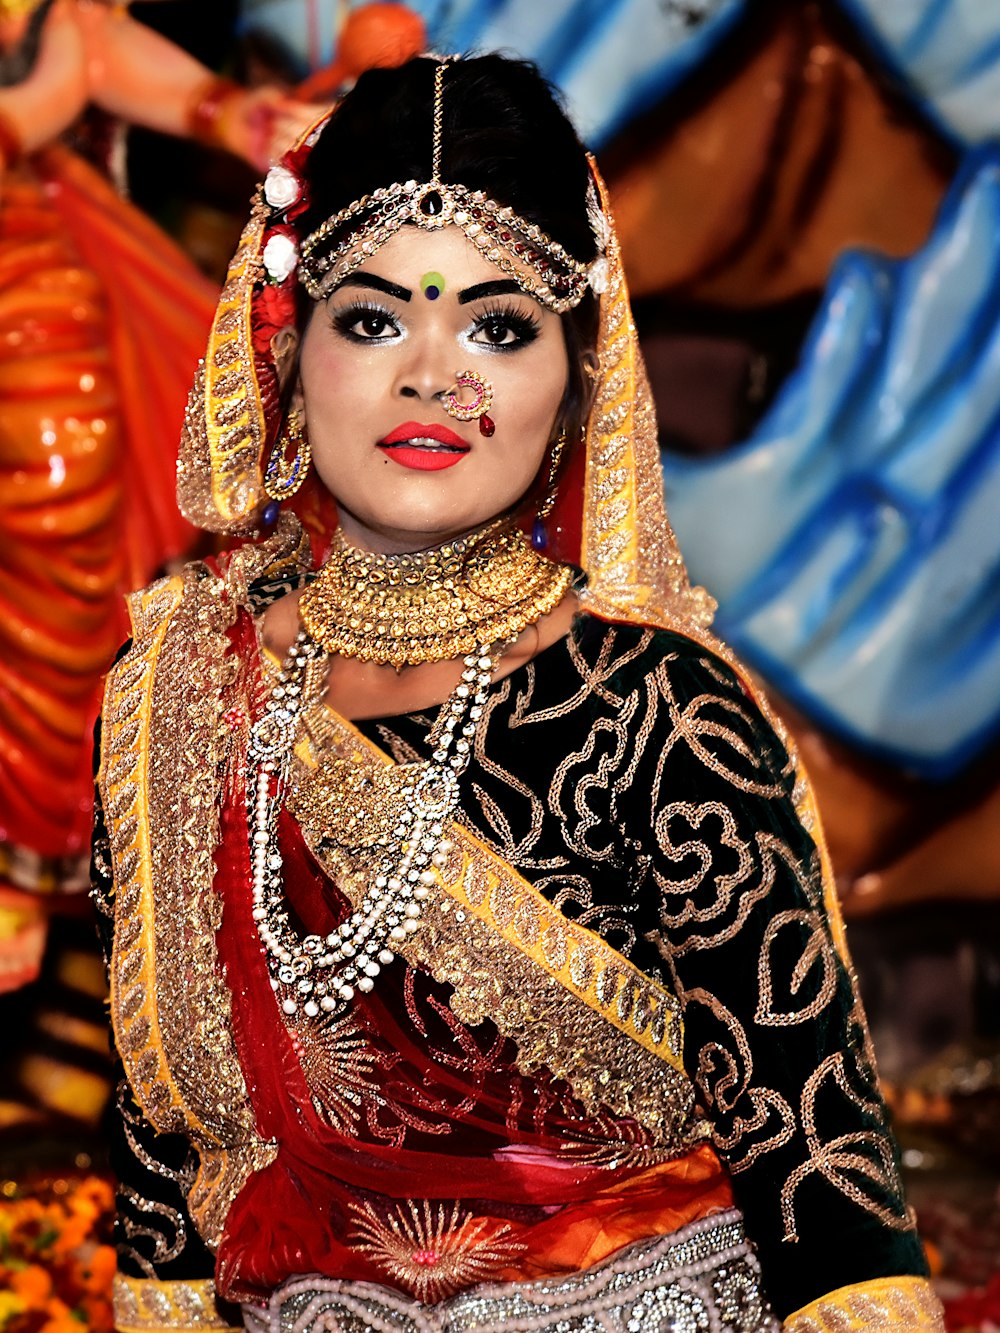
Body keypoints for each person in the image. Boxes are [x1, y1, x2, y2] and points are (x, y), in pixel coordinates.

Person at [93, 53, 945, 1333]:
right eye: (373, 319)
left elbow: (821, 1180)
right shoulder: (179, 686)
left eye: (499, 325)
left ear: (574, 379)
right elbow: (165, 1177)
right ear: (286, 345)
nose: (435, 377)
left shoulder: (657, 714)